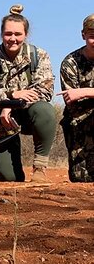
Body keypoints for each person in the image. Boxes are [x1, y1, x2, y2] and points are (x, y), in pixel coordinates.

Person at [0, 4, 56, 183]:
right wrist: (9, 97)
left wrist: (11, 106)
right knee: (10, 179)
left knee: (45, 110)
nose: (13, 39)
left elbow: (45, 91)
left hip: (27, 114)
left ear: (25, 35)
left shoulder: (39, 55)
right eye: (8, 34)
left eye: (18, 34)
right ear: (1, 34)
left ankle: (40, 167)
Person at [58, 14, 94, 182]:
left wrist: (85, 92)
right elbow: (74, 105)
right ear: (83, 35)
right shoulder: (70, 63)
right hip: (81, 124)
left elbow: (78, 96)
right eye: (92, 36)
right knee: (81, 180)